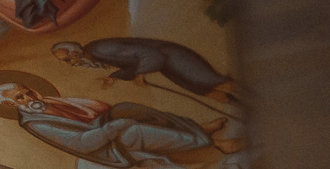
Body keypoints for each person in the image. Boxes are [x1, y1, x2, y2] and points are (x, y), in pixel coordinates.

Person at [0, 79, 237, 168]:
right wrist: (114, 127)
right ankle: (214, 144)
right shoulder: (35, 123)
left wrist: (112, 119)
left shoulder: (46, 101)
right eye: (21, 98)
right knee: (133, 129)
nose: (29, 98)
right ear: (11, 106)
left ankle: (197, 129)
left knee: (127, 108)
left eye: (28, 92)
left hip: (101, 125)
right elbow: (80, 143)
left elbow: (92, 110)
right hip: (106, 146)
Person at [50, 37, 239, 106]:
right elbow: (130, 64)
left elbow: (149, 54)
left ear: (75, 52)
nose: (70, 63)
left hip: (174, 57)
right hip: (168, 64)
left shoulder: (101, 50)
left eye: (68, 59)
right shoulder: (95, 54)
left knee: (213, 82)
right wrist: (113, 77)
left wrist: (140, 74)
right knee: (209, 93)